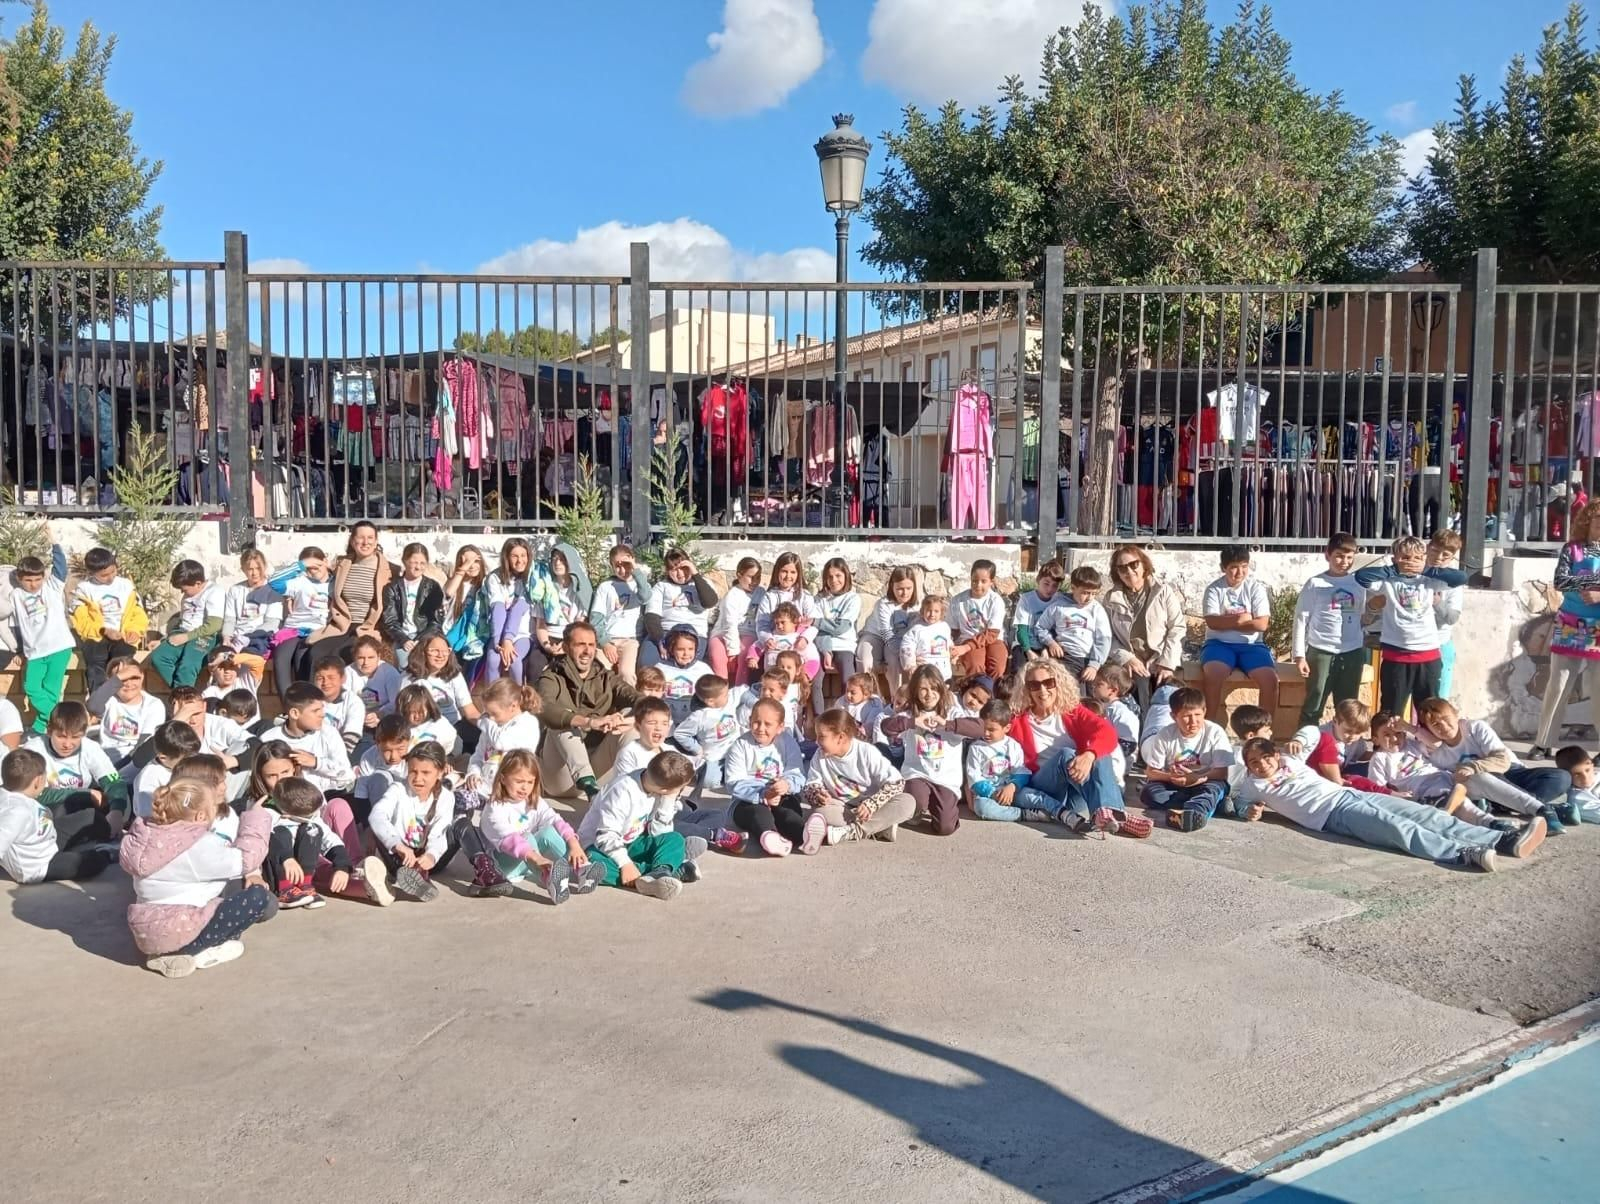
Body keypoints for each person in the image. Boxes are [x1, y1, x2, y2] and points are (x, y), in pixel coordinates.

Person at [1235, 738, 1545, 872]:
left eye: (1265, 757)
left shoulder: (1290, 759)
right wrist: (1247, 811)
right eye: (1253, 762)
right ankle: (1462, 854)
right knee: (1399, 829)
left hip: (1349, 794)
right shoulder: (1252, 785)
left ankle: (1501, 839)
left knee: (1424, 814)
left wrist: (1300, 738)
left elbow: (1315, 733)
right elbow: (1234, 804)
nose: (1261, 765)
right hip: (1332, 814)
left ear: (1275, 754)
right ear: (1248, 766)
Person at [119, 775, 276, 978]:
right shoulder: (198, 845)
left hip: (147, 929)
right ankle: (197, 949)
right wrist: (255, 817)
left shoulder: (145, 837)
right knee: (257, 898)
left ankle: (170, 951)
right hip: (182, 928)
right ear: (201, 816)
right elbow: (247, 859)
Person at [1005, 661, 1153, 837]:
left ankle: (1108, 813)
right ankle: (1119, 817)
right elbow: (991, 735)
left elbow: (1107, 732)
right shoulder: (1017, 720)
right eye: (1034, 685)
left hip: (1076, 794)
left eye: (1048, 683)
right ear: (1027, 689)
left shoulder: (1072, 711)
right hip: (1043, 789)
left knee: (1099, 751)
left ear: (1058, 683)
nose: (1043, 690)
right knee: (1066, 754)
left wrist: (1090, 755)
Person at [460, 749, 604, 902]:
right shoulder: (494, 809)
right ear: (502, 778)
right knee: (526, 837)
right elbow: (511, 841)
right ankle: (549, 878)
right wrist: (538, 859)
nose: (525, 787)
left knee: (549, 831)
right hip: (503, 866)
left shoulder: (533, 801)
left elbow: (556, 820)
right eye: (519, 781)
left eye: (530, 782)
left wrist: (574, 845)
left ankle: (582, 868)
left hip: (530, 857)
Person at [1411, 697, 1570, 832]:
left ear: (1455, 713)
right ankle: (1544, 809)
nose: (1443, 727)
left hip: (1510, 772)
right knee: (1474, 779)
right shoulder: (1439, 755)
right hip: (1484, 786)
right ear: (1429, 730)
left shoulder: (1474, 727)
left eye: (1445, 719)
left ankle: (1507, 805)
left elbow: (1502, 760)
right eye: (1436, 725)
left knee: (1560, 777)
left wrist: (1473, 766)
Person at [1353, 535, 1468, 716]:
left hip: (1428, 655)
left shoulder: (1430, 580)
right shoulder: (1388, 581)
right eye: (1405, 558)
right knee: (1391, 712)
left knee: (1429, 713)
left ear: (1423, 559)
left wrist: (1426, 570)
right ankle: (1386, 744)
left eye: (1416, 558)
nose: (1410, 562)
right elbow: (1361, 577)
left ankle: (1426, 744)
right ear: (1394, 559)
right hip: (1396, 656)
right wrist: (1394, 569)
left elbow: (1461, 578)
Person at [536, 621, 638, 799]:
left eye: (591, 645)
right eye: (580, 644)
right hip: (560, 777)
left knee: (633, 722)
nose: (587, 651)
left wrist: (626, 719)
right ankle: (588, 785)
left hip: (597, 767)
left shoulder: (606, 677)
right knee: (562, 718)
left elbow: (639, 700)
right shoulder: (551, 677)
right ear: (566, 647)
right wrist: (589, 722)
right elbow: (545, 708)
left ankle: (634, 790)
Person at [1530, 498, 1600, 759]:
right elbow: (1560, 580)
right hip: (1571, 621)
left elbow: (1573, 580)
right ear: (1588, 521)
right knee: (1558, 684)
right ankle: (1543, 742)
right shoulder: (1572, 549)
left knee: (1599, 686)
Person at [577, 750, 698, 898]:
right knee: (592, 864)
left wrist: (668, 801)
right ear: (664, 789)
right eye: (680, 789)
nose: (681, 792)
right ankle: (665, 872)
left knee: (675, 839)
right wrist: (625, 864)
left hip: (631, 841)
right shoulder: (622, 792)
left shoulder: (658, 788)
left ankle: (661, 871)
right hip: (597, 846)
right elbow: (604, 836)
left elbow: (659, 833)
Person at [878, 666, 982, 836]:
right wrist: (912, 723)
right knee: (915, 800)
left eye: (934, 688)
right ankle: (916, 809)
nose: (929, 694)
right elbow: (886, 727)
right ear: (915, 691)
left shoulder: (953, 712)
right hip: (917, 774)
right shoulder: (910, 714)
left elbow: (980, 728)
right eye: (923, 689)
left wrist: (948, 725)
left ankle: (940, 809)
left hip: (945, 779)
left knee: (945, 828)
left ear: (941, 689)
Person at [0, 747, 117, 884]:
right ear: (38, 781)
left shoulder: (10, 794)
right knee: (90, 861)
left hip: (46, 837)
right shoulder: (16, 812)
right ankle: (107, 854)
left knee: (91, 817)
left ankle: (110, 835)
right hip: (40, 865)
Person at [803, 709, 916, 844]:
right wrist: (818, 794)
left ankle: (853, 831)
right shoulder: (819, 755)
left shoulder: (866, 752)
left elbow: (897, 783)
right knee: (818, 813)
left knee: (907, 802)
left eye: (821, 737)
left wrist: (872, 804)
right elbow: (811, 784)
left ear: (841, 737)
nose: (816, 742)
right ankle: (879, 827)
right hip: (844, 809)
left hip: (872, 808)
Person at [363, 740, 456, 904]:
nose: (418, 778)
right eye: (413, 771)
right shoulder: (398, 789)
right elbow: (376, 815)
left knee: (458, 825)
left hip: (428, 858)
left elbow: (440, 832)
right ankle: (413, 877)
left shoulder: (446, 797)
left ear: (440, 772)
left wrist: (431, 855)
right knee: (379, 827)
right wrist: (396, 844)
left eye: (426, 773)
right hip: (400, 856)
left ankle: (421, 875)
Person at [725, 698, 821, 856]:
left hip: (782, 795)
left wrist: (787, 785)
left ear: (780, 727)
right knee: (758, 814)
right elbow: (733, 783)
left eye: (768, 724)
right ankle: (770, 836)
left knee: (787, 814)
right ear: (749, 721)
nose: (761, 728)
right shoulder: (740, 746)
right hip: (748, 801)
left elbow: (797, 773)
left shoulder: (788, 743)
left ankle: (805, 835)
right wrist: (762, 795)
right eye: (756, 722)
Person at [1292, 532, 1366, 728]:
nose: (1344, 561)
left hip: (1351, 652)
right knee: (1314, 702)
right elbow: (1301, 619)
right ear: (1328, 555)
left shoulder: (1358, 583)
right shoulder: (1315, 584)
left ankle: (1344, 748)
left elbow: (1363, 615)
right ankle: (1306, 744)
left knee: (1349, 706)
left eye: (1349, 557)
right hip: (1321, 651)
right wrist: (1299, 656)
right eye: (1339, 556)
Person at [1138, 687, 1235, 831]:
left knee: (1214, 788)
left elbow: (1221, 773)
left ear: (1205, 712)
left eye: (1197, 714)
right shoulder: (1165, 735)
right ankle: (1214, 804)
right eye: (1186, 716)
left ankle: (1195, 813)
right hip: (1176, 784)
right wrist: (1171, 777)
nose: (1193, 721)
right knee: (1149, 793)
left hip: (1205, 780)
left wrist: (1196, 778)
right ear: (1173, 716)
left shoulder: (1215, 732)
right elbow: (1151, 772)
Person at [1200, 544, 1276, 723]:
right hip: (1218, 644)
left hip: (1252, 646)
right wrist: (1242, 619)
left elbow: (1262, 624)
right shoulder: (1214, 589)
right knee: (1213, 675)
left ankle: (1264, 730)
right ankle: (1208, 725)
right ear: (1223, 568)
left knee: (1270, 680)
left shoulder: (1256, 588)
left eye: (1244, 566)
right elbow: (1212, 622)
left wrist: (1227, 621)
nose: (1239, 572)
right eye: (1234, 567)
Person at [1103, 544, 1187, 703]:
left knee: (1169, 696)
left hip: (1160, 658)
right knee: (1135, 690)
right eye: (1122, 568)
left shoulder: (1162, 592)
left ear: (1144, 565)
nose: (1129, 571)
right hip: (1131, 662)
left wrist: (1167, 663)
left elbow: (1177, 627)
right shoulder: (1111, 598)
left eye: (1133, 565)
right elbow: (1106, 635)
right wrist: (1126, 658)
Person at [5, 543, 73, 734]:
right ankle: (61, 718)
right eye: (28, 580)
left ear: (43, 577)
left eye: (37, 579)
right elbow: (15, 625)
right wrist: (18, 649)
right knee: (32, 687)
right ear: (20, 579)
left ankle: (41, 727)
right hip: (34, 652)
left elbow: (61, 570)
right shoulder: (16, 596)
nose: (33, 584)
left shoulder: (51, 588)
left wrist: (56, 547)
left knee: (52, 689)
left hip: (58, 647)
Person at [965, 699, 1062, 823]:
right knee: (981, 808)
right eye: (983, 728)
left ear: (1006, 728)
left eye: (991, 729)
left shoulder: (1013, 745)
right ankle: (1024, 814)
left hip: (1013, 792)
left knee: (1034, 796)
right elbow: (974, 777)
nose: (986, 733)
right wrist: (993, 794)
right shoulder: (976, 748)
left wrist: (1012, 787)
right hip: (990, 795)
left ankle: (1061, 812)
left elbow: (1021, 770)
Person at [69, 545, 149, 696]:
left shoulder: (126, 585)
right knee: (95, 665)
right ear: (92, 573)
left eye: (113, 571)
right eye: (104, 575)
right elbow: (81, 620)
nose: (111, 577)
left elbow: (138, 613)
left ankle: (123, 697)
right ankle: (99, 701)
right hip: (97, 636)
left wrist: (135, 630)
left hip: (123, 635)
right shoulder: (83, 590)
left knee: (122, 664)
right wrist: (103, 630)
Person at [26, 701, 127, 819]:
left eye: (75, 737)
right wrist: (85, 794)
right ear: (49, 731)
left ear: (84, 734)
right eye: (61, 736)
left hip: (85, 803)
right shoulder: (33, 750)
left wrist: (116, 813)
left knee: (121, 799)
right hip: (49, 809)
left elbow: (114, 781)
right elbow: (35, 793)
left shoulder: (90, 747)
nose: (67, 744)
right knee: (61, 809)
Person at [266, 776, 352, 910]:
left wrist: (342, 866)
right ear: (286, 813)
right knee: (280, 833)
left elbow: (330, 839)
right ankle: (284, 890)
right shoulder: (269, 816)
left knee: (314, 830)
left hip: (299, 867)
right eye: (309, 816)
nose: (314, 817)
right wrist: (287, 858)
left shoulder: (312, 819)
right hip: (276, 870)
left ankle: (305, 886)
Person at [310, 520, 390, 662]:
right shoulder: (342, 565)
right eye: (360, 537)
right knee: (314, 652)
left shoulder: (389, 570)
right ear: (353, 541)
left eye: (370, 538)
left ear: (376, 541)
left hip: (368, 626)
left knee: (337, 656)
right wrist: (303, 564)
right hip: (342, 624)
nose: (365, 542)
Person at [266, 683, 356, 798]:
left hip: (327, 798)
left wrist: (316, 763)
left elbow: (348, 776)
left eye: (322, 708)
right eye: (315, 710)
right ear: (294, 713)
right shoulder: (269, 739)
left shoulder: (329, 733)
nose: (322, 714)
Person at [267, 546, 334, 698]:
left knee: (302, 658)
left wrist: (327, 566)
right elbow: (273, 582)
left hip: (318, 630)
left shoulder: (334, 583)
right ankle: (288, 706)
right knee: (280, 657)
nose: (313, 571)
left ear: (324, 562)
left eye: (316, 566)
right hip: (294, 629)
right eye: (308, 568)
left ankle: (306, 703)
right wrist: (301, 565)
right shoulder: (300, 581)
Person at [463, 678, 543, 803]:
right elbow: (478, 755)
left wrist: (483, 721)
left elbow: (500, 742)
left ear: (513, 706)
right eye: (487, 714)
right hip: (485, 789)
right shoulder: (491, 727)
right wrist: (473, 773)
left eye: (494, 713)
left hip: (511, 793)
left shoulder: (528, 723)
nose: (490, 718)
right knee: (455, 797)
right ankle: (463, 822)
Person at [148, 560, 224, 689]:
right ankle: (184, 694)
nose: (183, 593)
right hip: (183, 633)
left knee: (188, 665)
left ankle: (184, 699)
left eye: (185, 590)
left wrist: (187, 637)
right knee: (158, 657)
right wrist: (164, 640)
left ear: (198, 583)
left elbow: (214, 625)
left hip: (205, 636)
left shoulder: (214, 592)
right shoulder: (189, 595)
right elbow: (184, 622)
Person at [404, 634, 482, 753]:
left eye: (445, 651)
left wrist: (488, 726)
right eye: (435, 651)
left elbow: (469, 710)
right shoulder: (409, 678)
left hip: (454, 723)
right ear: (423, 652)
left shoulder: (454, 675)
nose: (441, 655)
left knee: (480, 739)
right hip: (422, 726)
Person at [642, 548, 719, 668]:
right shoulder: (661, 586)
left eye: (683, 568)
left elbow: (710, 602)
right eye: (674, 570)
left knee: (685, 666)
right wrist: (660, 641)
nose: (680, 574)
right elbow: (651, 616)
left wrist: (695, 574)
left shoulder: (702, 584)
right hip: (666, 632)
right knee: (646, 664)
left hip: (694, 634)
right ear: (667, 571)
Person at [670, 674, 742, 794]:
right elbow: (680, 733)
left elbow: (743, 689)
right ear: (711, 701)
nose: (728, 696)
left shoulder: (730, 701)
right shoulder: (699, 717)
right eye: (724, 695)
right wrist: (696, 749)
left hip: (736, 751)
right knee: (709, 781)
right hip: (715, 757)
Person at [1036, 565, 1112, 680]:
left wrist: (1095, 665)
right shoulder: (1058, 606)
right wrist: (1051, 642)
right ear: (1073, 587)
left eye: (1094, 593)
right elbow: (1040, 627)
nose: (1089, 598)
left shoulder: (1096, 609)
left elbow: (1104, 638)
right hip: (1066, 658)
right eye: (1085, 593)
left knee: (1089, 695)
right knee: (1070, 691)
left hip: (1089, 660)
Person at [219, 548, 282, 683]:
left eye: (258, 568)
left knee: (245, 663)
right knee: (219, 660)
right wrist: (226, 637)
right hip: (237, 637)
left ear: (264, 566)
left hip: (259, 638)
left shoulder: (272, 590)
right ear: (243, 569)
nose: (254, 573)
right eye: (250, 569)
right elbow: (230, 619)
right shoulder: (235, 590)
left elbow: (271, 624)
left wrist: (248, 637)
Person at [591, 543, 650, 685]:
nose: (622, 570)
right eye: (617, 566)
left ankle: (627, 706)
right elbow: (596, 618)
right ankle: (601, 705)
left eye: (626, 564)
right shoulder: (605, 586)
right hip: (609, 638)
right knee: (599, 670)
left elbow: (645, 596)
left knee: (627, 672)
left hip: (631, 640)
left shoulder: (640, 583)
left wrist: (635, 570)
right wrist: (605, 643)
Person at [93, 658, 166, 770]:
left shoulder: (153, 705)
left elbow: (144, 745)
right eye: (122, 679)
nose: (129, 683)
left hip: (135, 763)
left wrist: (118, 770)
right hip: (106, 761)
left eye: (134, 677)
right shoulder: (110, 700)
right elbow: (93, 706)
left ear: (142, 677)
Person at [857, 566, 919, 696]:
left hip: (901, 641)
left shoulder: (916, 606)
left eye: (909, 588)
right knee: (865, 659)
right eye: (900, 589)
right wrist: (900, 651)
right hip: (875, 636)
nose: (905, 593)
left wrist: (907, 652)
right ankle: (872, 699)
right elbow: (886, 633)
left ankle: (897, 699)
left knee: (895, 663)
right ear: (892, 587)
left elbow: (917, 632)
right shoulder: (884, 604)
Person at [379, 541, 444, 657]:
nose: (418, 567)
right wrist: (403, 639)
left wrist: (420, 639)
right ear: (405, 561)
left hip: (425, 636)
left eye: (422, 563)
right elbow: (390, 620)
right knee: (404, 664)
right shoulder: (392, 588)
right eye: (414, 562)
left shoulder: (432, 586)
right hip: (402, 637)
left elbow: (436, 621)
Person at [813, 557, 862, 710]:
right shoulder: (819, 600)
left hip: (844, 645)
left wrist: (817, 621)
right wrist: (826, 650)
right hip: (821, 645)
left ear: (846, 576)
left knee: (848, 681)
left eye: (838, 575)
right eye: (830, 576)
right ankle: (818, 720)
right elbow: (818, 630)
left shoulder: (852, 599)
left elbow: (841, 627)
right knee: (815, 680)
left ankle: (847, 716)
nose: (834, 580)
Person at [707, 556, 761, 687]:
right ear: (739, 575)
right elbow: (728, 624)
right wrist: (732, 651)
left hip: (748, 632)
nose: (754, 581)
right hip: (723, 633)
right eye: (750, 577)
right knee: (717, 654)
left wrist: (737, 651)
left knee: (744, 653)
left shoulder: (761, 593)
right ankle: (721, 692)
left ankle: (739, 690)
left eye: (757, 577)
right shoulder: (732, 595)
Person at [949, 559, 1007, 678]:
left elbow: (992, 633)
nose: (978, 585)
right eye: (974, 581)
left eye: (983, 581)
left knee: (997, 667)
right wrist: (952, 648)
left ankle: (992, 694)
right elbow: (952, 630)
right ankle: (976, 693)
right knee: (975, 666)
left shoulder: (996, 601)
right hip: (968, 638)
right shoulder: (958, 601)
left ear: (991, 582)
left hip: (993, 640)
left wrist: (966, 648)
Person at [132, 721, 203, 819]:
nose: (191, 762)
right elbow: (147, 815)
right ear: (163, 757)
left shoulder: (185, 766)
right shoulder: (150, 778)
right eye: (185, 760)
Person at [441, 544, 490, 680]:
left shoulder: (487, 584)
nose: (472, 566)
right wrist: (463, 569)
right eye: (467, 561)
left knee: (469, 678)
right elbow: (448, 592)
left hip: (477, 638)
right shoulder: (457, 583)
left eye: (475, 561)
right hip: (453, 637)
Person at [1427, 531, 1466, 699]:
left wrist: (1437, 603)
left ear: (1452, 558)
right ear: (1428, 548)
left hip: (1440, 645)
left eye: (1446, 555)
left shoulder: (1454, 583)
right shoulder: (1414, 573)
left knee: (1437, 701)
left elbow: (1452, 618)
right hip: (1413, 645)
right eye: (1435, 551)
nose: (1439, 557)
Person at [345, 634, 403, 740]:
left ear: (379, 656)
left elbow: (396, 702)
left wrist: (379, 714)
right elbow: (344, 700)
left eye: (371, 657)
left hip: (384, 721)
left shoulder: (389, 672)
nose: (366, 663)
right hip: (356, 720)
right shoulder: (348, 672)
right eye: (361, 658)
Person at [1009, 560, 1063, 670]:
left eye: (1054, 586)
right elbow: (1022, 629)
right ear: (1038, 580)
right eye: (1046, 584)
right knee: (1020, 669)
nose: (1049, 589)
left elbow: (1055, 629)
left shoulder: (1058, 600)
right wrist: (1028, 651)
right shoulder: (1026, 599)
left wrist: (1045, 649)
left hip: (1047, 644)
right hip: (1024, 644)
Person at [313, 655, 365, 753]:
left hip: (344, 752)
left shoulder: (353, 702)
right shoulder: (309, 700)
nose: (325, 683)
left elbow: (351, 737)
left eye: (331, 677)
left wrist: (335, 760)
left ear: (343, 679)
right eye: (320, 678)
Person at [899, 594, 954, 682]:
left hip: (943, 670)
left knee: (942, 691)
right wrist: (911, 665)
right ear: (922, 611)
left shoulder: (944, 627)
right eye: (929, 610)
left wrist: (952, 651)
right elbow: (907, 646)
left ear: (941, 612)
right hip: (924, 670)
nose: (932, 614)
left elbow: (948, 642)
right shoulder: (917, 629)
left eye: (936, 611)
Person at [1552, 746, 1600, 825]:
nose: (1585, 778)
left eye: (1587, 770)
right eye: (1577, 774)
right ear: (1567, 776)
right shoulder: (1577, 797)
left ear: (1592, 765)